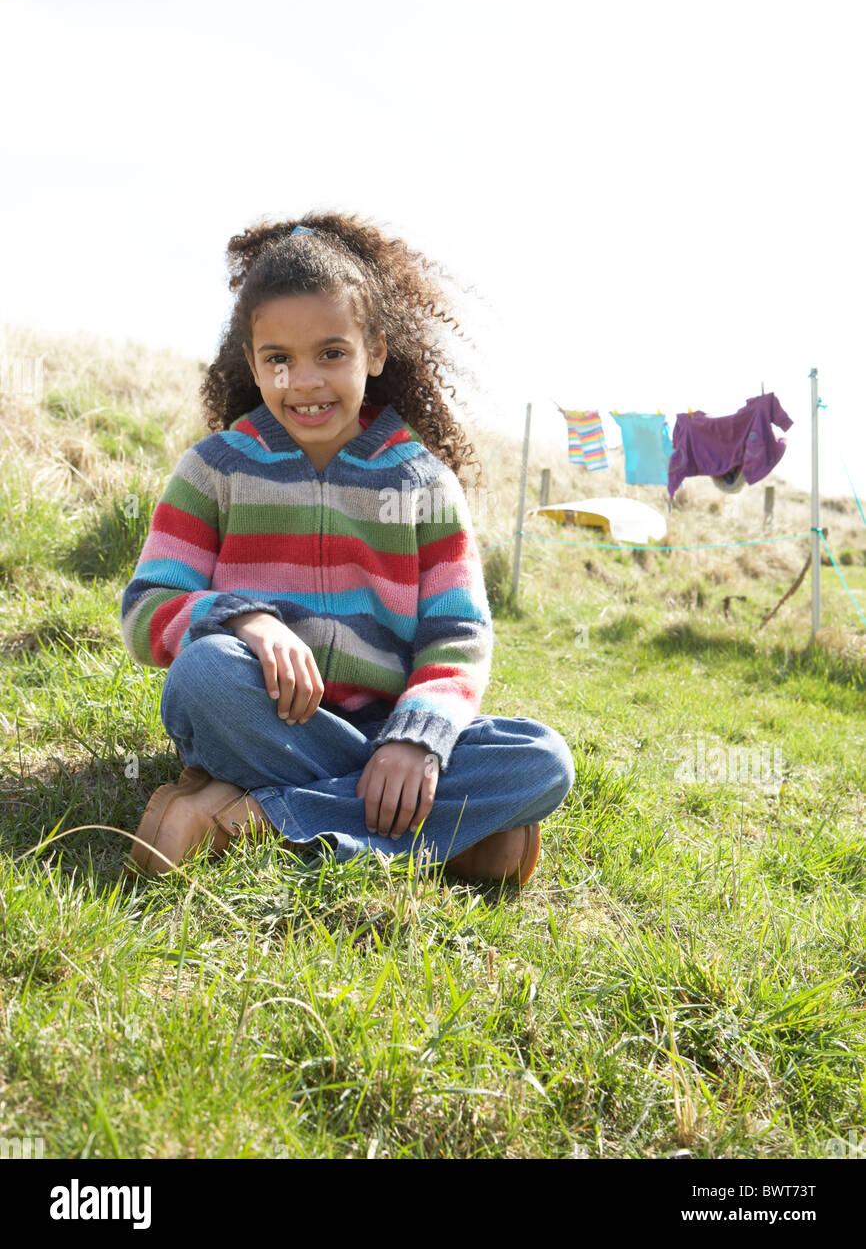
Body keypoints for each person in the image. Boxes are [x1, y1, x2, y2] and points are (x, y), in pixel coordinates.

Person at [120, 213, 574, 884]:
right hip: (260, 716)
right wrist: (247, 620)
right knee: (201, 676)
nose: (304, 382)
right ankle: (449, 837)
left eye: (331, 353)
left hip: (393, 731)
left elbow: (457, 635)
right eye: (280, 359)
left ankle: (245, 820)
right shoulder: (214, 470)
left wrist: (417, 738)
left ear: (376, 351)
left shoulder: (422, 483)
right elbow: (147, 608)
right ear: (252, 362)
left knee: (541, 758)